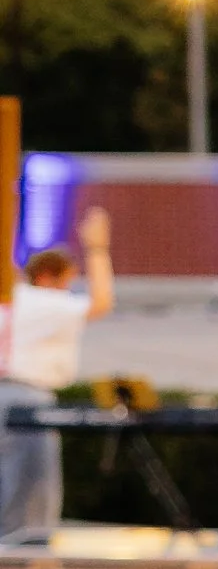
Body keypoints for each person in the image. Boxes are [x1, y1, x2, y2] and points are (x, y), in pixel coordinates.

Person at [0, 209, 114, 541]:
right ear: (50, 278)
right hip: (25, 398)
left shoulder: (15, 299)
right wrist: (97, 249)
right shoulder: (44, 301)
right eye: (67, 281)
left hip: (8, 393)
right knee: (32, 499)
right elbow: (101, 303)